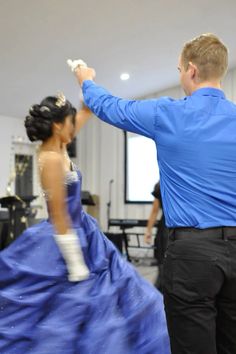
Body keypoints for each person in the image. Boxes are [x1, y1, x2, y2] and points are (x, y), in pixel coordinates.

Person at [74, 33, 236, 354]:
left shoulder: (168, 113)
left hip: (192, 255)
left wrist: (86, 79)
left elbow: (109, 107)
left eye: (178, 70)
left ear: (190, 70)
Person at [0, 93, 170, 353]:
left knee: (116, 292)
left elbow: (81, 116)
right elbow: (58, 217)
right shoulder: (51, 157)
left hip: (84, 231)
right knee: (68, 305)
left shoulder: (59, 144)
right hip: (64, 235)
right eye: (69, 123)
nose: (74, 128)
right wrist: (76, 261)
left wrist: (85, 86)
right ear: (58, 126)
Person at [144, 182, 168, 292]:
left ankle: (159, 294)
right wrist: (148, 230)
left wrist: (148, 231)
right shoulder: (183, 180)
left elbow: (155, 211)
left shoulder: (161, 184)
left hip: (166, 227)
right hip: (178, 227)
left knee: (163, 263)